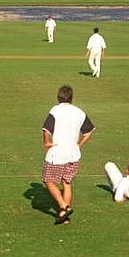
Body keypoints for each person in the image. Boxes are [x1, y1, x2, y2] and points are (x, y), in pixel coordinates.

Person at [42, 85, 95, 225]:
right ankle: (64, 217)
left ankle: (64, 207)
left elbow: (46, 130)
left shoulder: (55, 111)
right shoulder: (79, 112)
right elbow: (89, 132)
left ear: (58, 97)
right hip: (73, 154)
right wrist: (79, 144)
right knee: (67, 182)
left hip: (57, 154)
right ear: (71, 98)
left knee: (48, 180)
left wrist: (47, 143)